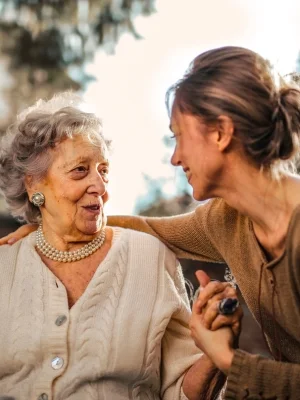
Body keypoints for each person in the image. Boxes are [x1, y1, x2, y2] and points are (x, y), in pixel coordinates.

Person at [5, 44, 297, 398]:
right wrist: (49, 224)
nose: (174, 158)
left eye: (179, 136)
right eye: (80, 171)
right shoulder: (224, 221)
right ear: (34, 185)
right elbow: (149, 228)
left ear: (220, 133)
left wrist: (225, 358)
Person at [0, 92, 237, 400]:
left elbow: (181, 391)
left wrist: (214, 353)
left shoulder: (149, 258)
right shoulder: (6, 264)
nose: (99, 186)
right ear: (33, 185)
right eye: (80, 170)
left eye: (104, 170)